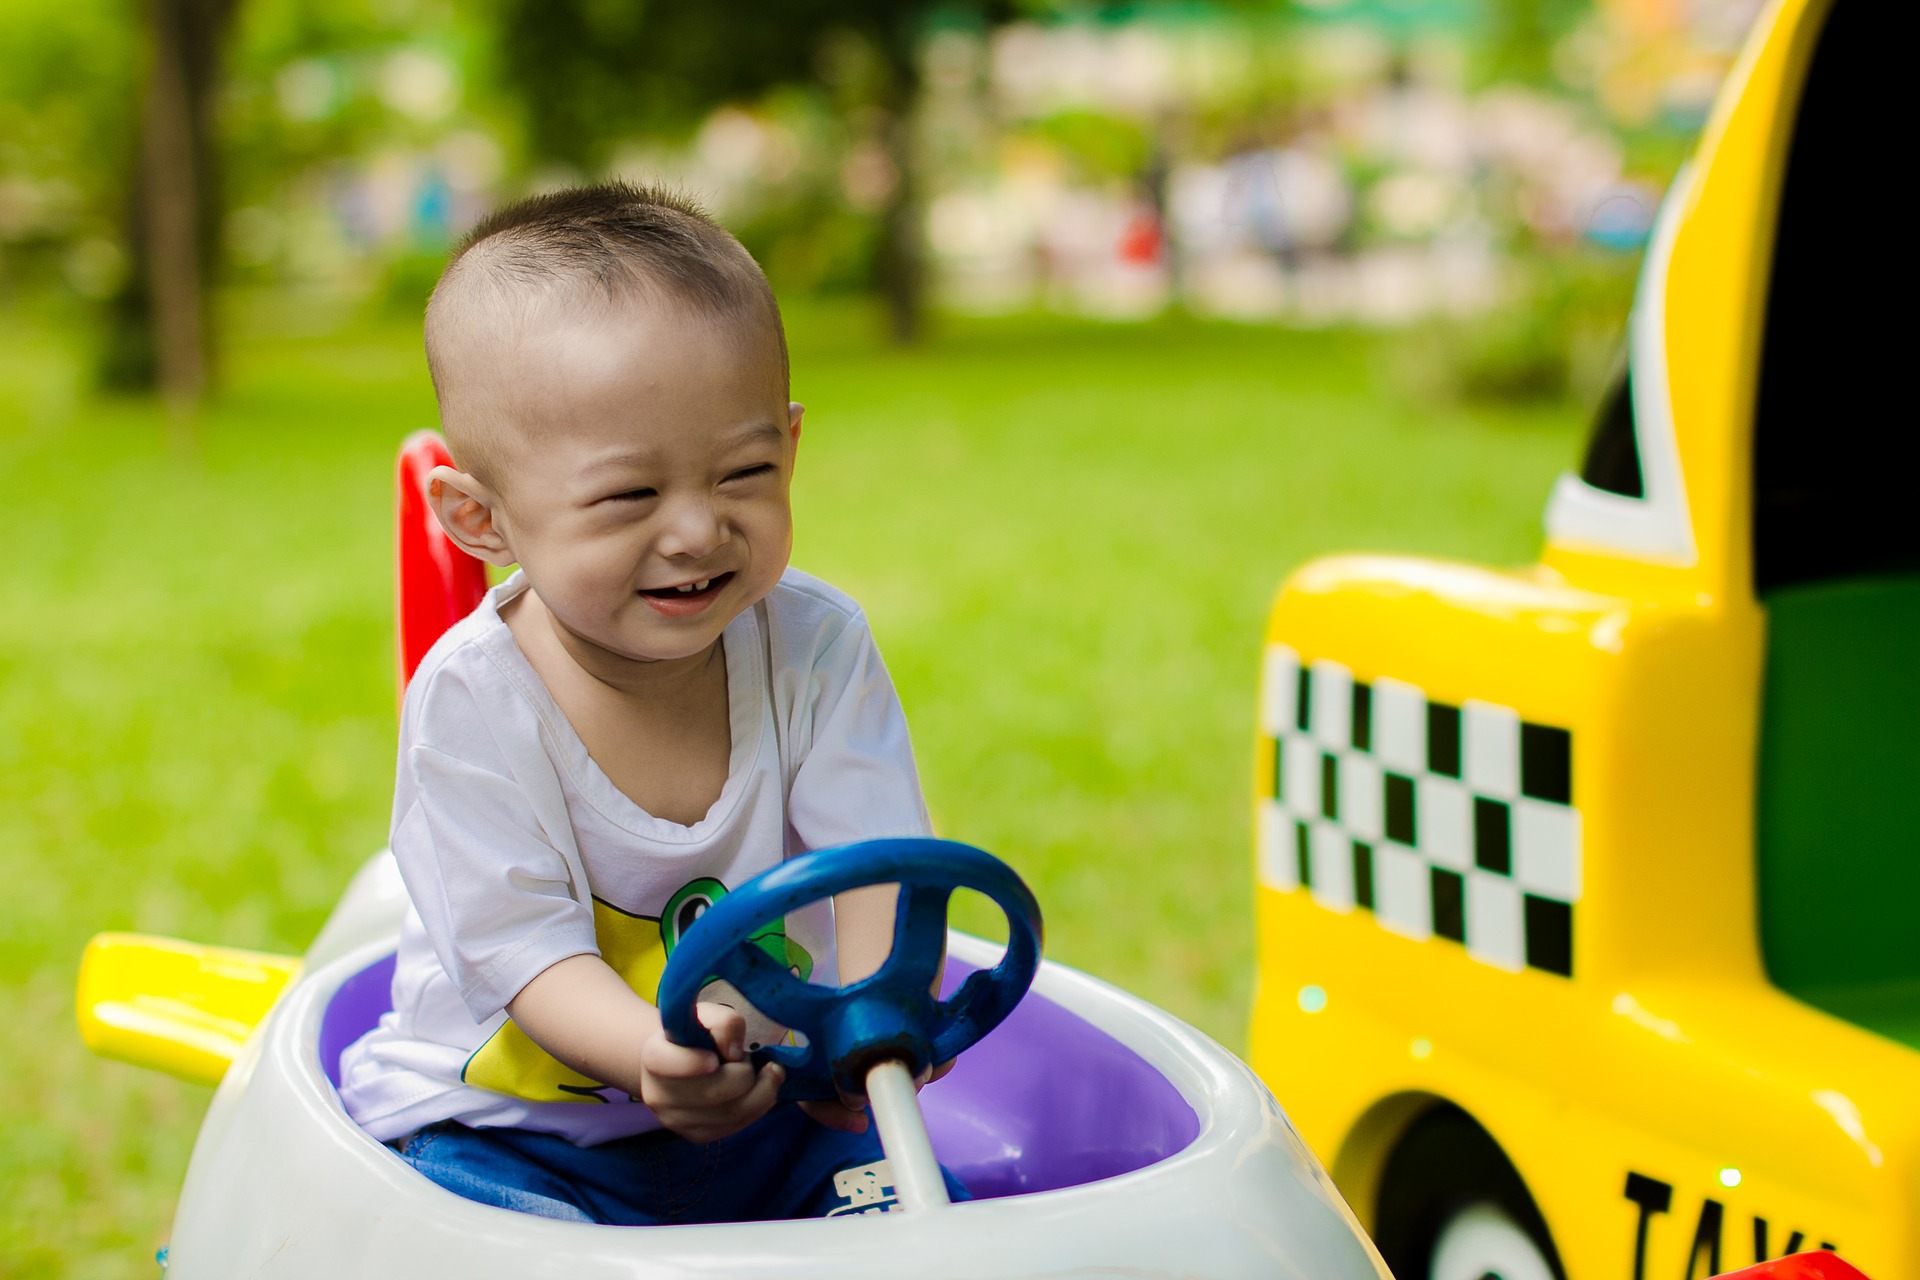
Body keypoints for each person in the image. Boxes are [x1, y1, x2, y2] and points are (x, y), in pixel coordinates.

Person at [337, 181, 965, 1225]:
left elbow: (881, 860)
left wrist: (875, 1011)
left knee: (926, 1215)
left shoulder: (816, 645)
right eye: (631, 494)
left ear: (793, 447)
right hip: (514, 1131)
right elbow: (520, 946)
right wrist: (648, 1055)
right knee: (478, 1236)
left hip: (773, 1111)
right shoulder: (473, 699)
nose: (696, 530)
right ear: (478, 515)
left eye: (743, 472)